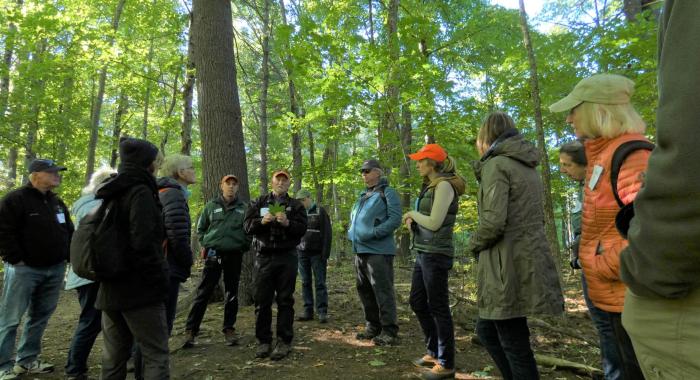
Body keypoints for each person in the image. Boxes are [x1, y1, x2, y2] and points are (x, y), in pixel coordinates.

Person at [619, 2, 700, 378]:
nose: (569, 119)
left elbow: (688, 159)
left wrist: (642, 270)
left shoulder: (627, 152)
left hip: (670, 288)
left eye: (576, 110)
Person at [550, 74, 649, 380]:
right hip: (610, 291)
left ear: (598, 110)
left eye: (574, 110)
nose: (568, 118)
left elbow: (650, 237)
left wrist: (599, 262)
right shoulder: (602, 156)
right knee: (616, 363)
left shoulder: (632, 156)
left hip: (627, 293)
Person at [468, 112, 564, 380]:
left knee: (513, 342)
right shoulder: (525, 164)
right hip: (524, 257)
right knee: (491, 332)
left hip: (505, 264)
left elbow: (493, 222)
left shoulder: (497, 165)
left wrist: (473, 245)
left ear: (486, 136)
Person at [95, 137, 170, 380]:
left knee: (114, 358)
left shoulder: (112, 192)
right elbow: (144, 242)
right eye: (154, 161)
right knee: (155, 353)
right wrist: (159, 279)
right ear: (147, 163)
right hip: (139, 290)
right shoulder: (140, 192)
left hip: (110, 287)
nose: (157, 166)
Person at [0, 159, 74, 380]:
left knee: (40, 316)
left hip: (54, 269)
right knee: (11, 318)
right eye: (51, 172)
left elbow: (68, 231)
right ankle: (3, 365)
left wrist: (68, 257)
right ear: (35, 175)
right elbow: (3, 231)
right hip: (24, 270)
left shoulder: (56, 202)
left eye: (57, 172)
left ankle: (27, 360)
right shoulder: (15, 199)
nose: (57, 175)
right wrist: (15, 259)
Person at [559, 141, 622, 380]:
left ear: (585, 165)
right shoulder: (585, 186)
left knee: (609, 327)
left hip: (602, 265)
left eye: (567, 165)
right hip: (590, 262)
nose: (564, 170)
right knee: (605, 327)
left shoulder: (600, 185)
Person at [403, 144, 466, 380]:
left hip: (436, 254)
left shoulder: (445, 186)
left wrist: (411, 214)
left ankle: (447, 363)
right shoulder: (430, 186)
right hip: (423, 251)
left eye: (421, 161)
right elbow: (426, 222)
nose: (417, 164)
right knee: (417, 301)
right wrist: (413, 223)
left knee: (438, 307)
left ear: (432, 163)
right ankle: (433, 351)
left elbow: (435, 222)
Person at [244, 169, 307, 361]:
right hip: (263, 258)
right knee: (262, 301)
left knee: (285, 300)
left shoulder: (296, 206)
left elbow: (302, 229)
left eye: (284, 180)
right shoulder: (259, 202)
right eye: (277, 180)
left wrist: (288, 223)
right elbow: (246, 227)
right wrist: (261, 221)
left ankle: (284, 341)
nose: (281, 183)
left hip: (287, 258)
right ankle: (264, 341)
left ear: (289, 184)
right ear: (272, 182)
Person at [184, 174, 251, 347]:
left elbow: (250, 231)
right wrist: (207, 242)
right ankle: (191, 331)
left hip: (234, 255)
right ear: (221, 186)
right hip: (214, 254)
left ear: (238, 187)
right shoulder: (211, 206)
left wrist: (242, 245)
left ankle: (229, 329)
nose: (231, 186)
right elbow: (200, 229)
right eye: (227, 183)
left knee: (231, 292)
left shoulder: (244, 208)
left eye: (234, 184)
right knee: (204, 292)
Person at [64, 166, 117, 380]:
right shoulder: (99, 206)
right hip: (92, 272)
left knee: (99, 319)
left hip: (86, 272)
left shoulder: (87, 205)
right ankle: (74, 368)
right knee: (91, 321)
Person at [348, 159, 402, 346]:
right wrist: (351, 233)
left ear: (378, 172)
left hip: (378, 251)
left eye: (367, 170)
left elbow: (395, 219)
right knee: (364, 290)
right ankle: (373, 326)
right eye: (362, 171)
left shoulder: (388, 193)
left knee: (382, 290)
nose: (363, 174)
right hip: (359, 251)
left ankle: (390, 331)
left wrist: (374, 233)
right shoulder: (362, 195)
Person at [156, 154, 196, 334]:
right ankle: (151, 362)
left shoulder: (167, 193)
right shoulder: (173, 195)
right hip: (167, 267)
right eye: (191, 167)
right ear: (180, 172)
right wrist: (187, 261)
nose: (194, 171)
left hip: (163, 265)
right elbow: (177, 235)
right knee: (162, 322)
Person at [294, 189, 332, 324]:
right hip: (301, 252)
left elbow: (327, 234)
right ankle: (308, 311)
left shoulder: (320, 211)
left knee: (320, 282)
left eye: (303, 200)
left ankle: (322, 312)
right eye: (299, 200)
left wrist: (325, 254)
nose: (302, 203)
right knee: (305, 282)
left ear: (309, 198)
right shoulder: (298, 213)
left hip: (317, 254)